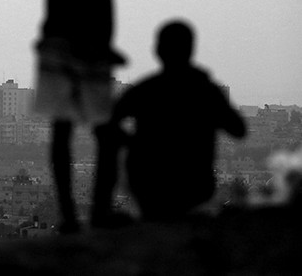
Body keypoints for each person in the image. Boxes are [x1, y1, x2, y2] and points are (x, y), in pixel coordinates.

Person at [5, 0, 128, 233]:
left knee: (62, 133)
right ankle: (98, 214)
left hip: (59, 46)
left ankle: (70, 217)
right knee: (104, 132)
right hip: (92, 48)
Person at [92, 20, 247, 224]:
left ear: (158, 51)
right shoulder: (205, 90)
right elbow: (238, 130)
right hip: (195, 185)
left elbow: (103, 122)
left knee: (107, 140)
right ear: (191, 50)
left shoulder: (147, 89)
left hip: (149, 183)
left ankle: (101, 212)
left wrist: (133, 143)